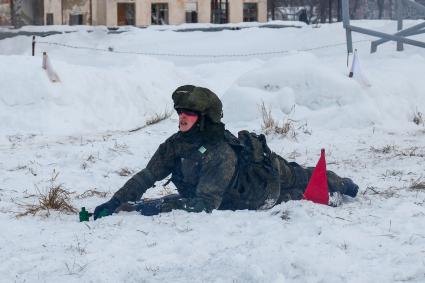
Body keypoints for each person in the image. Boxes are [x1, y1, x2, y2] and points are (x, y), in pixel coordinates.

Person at [94, 85, 358, 219]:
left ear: (204, 117)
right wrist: (115, 202)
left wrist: (154, 206)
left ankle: (342, 183)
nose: (182, 117)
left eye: (189, 113)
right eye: (179, 112)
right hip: (235, 194)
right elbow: (147, 176)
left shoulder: (218, 151)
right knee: (301, 184)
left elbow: (204, 204)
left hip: (260, 189)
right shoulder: (175, 144)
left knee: (303, 181)